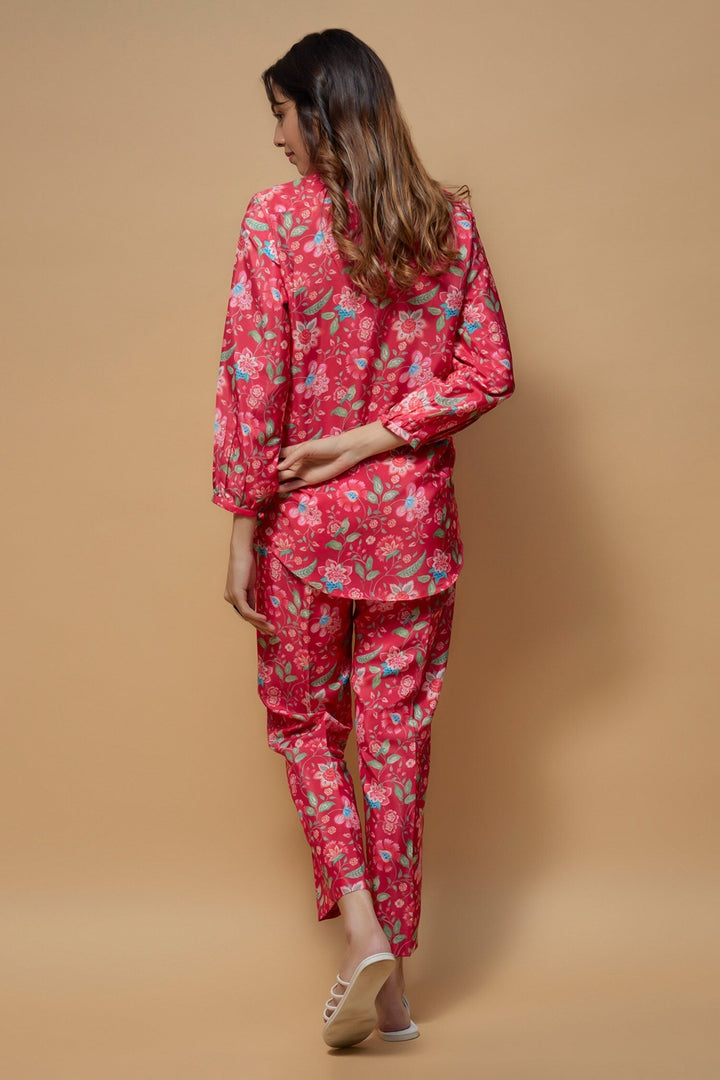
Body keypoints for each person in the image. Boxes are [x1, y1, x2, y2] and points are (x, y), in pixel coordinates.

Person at [211, 28, 515, 1048]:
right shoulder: (446, 222)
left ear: (322, 111)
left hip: (305, 530)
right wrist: (383, 436)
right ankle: (393, 997)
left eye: (281, 114)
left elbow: (253, 384)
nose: (276, 138)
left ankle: (362, 931)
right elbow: (488, 369)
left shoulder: (276, 222)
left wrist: (244, 525)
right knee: (396, 747)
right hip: (413, 535)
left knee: (306, 728)